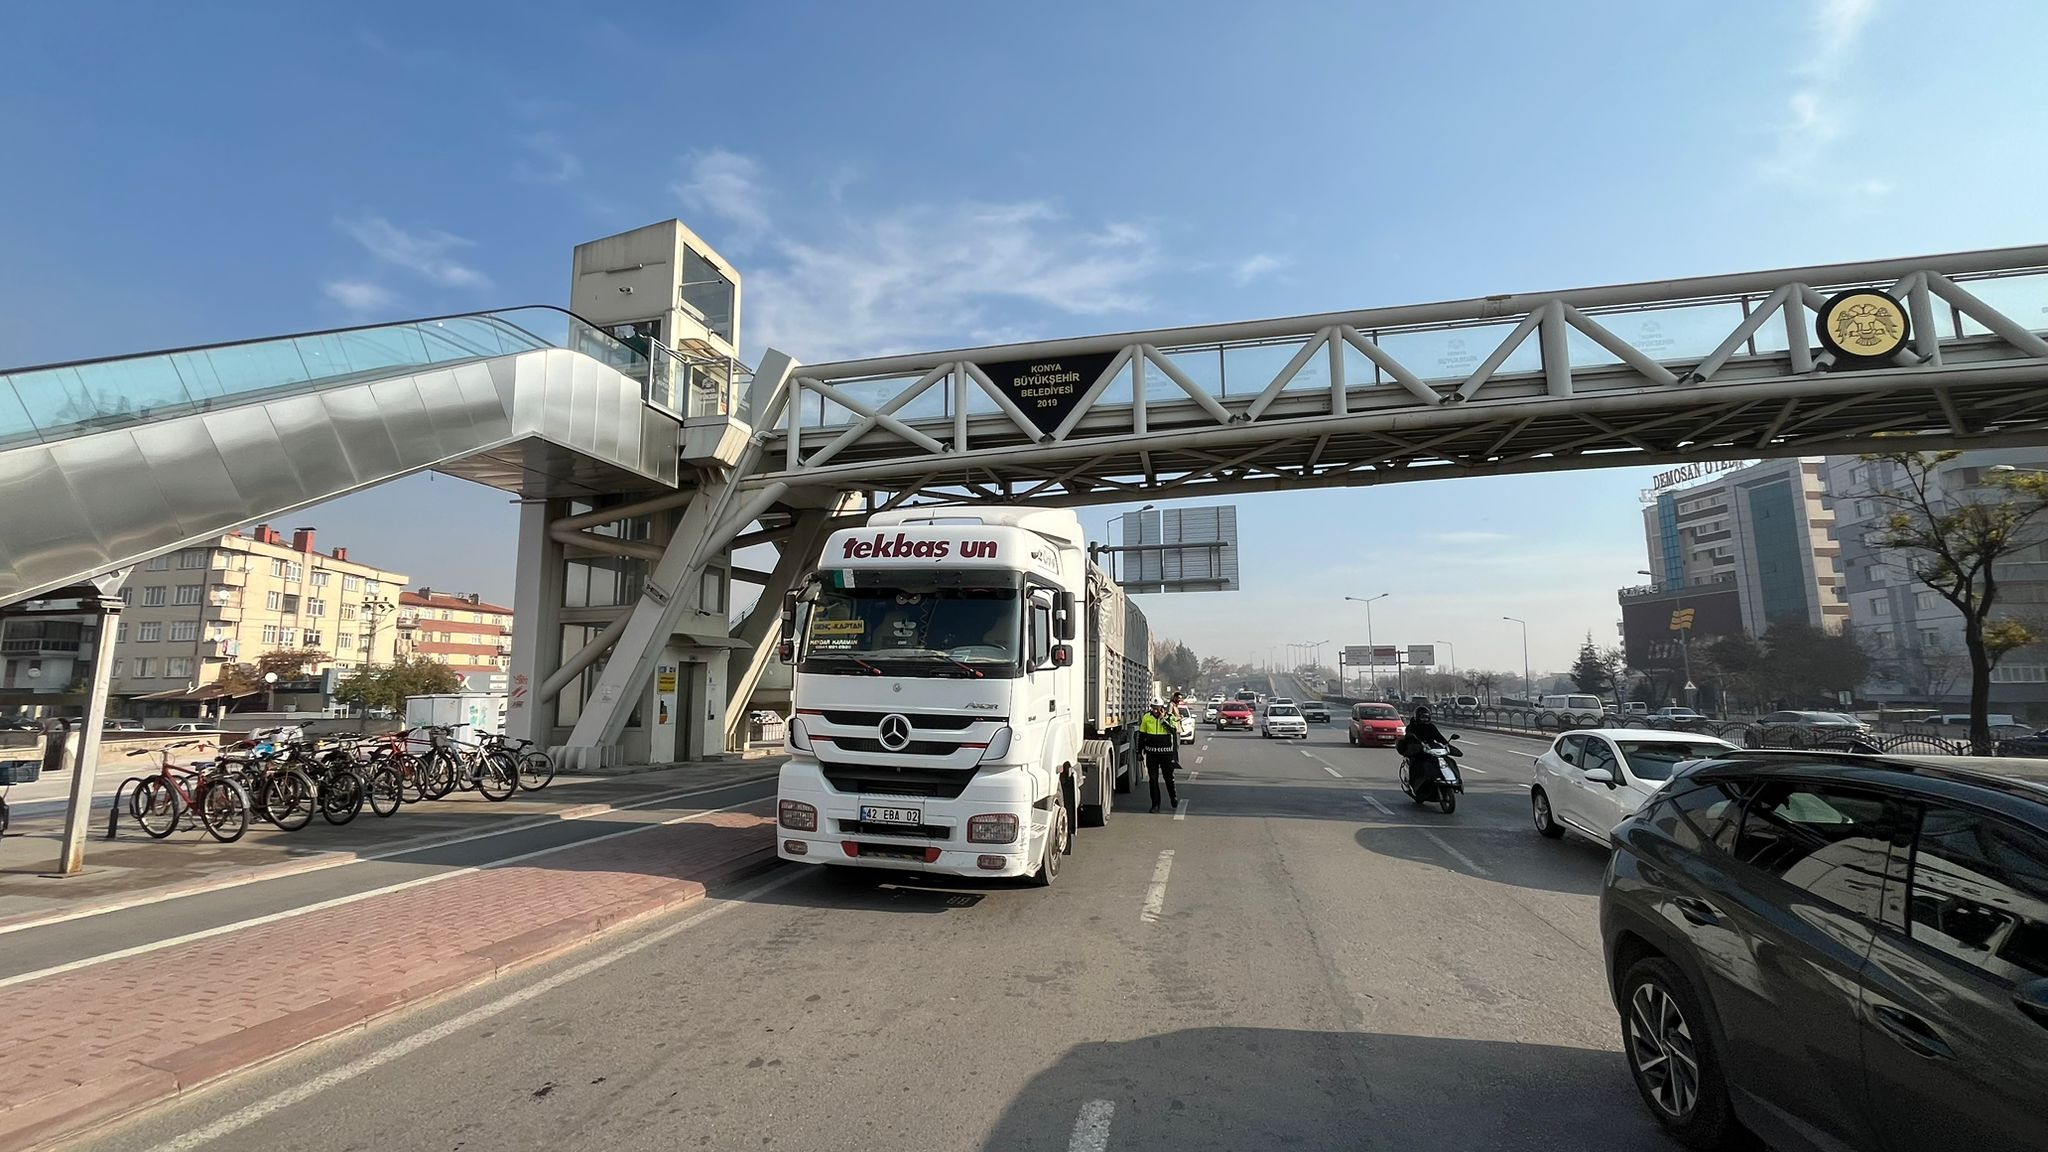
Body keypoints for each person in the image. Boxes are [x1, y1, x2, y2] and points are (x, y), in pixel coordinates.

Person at [1138, 701, 1180, 812]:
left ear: (1162, 708)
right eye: (1153, 708)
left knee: (1168, 778)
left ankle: (1173, 797)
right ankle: (1155, 805)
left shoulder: (1170, 717)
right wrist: (1139, 752)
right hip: (1152, 754)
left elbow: (1172, 730)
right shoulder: (1147, 717)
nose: (1155, 711)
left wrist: (1162, 720)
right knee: (1153, 780)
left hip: (1166, 754)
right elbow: (1142, 735)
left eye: (1158, 708)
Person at [1395, 704, 1450, 785]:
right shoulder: (1411, 727)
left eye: (1426, 717)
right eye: (1422, 717)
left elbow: (1439, 737)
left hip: (1431, 750)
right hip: (1417, 751)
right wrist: (1418, 744)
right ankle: (1413, 783)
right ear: (1417, 717)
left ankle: (1448, 778)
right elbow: (1410, 737)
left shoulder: (1431, 726)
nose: (1424, 720)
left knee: (1445, 761)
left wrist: (1446, 744)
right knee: (1415, 764)